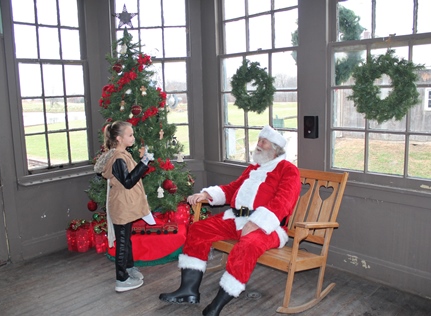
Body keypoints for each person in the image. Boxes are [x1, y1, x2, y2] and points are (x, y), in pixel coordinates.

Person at [159, 125, 301, 316]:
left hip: (269, 227)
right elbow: (233, 189)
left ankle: (216, 305)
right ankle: (188, 291)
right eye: (258, 140)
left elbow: (283, 202)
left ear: (275, 148)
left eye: (263, 142)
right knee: (199, 229)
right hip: (238, 218)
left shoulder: (288, 170)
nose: (258, 145)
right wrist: (207, 195)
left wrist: (257, 223)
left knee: (247, 246)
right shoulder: (254, 168)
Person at [94, 121, 154, 293]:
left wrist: (142, 163)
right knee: (122, 242)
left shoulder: (122, 154)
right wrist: (144, 163)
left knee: (126, 239)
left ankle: (129, 267)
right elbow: (128, 182)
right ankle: (121, 279)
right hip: (121, 205)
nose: (133, 137)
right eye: (130, 135)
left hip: (125, 204)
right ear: (119, 138)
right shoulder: (118, 158)